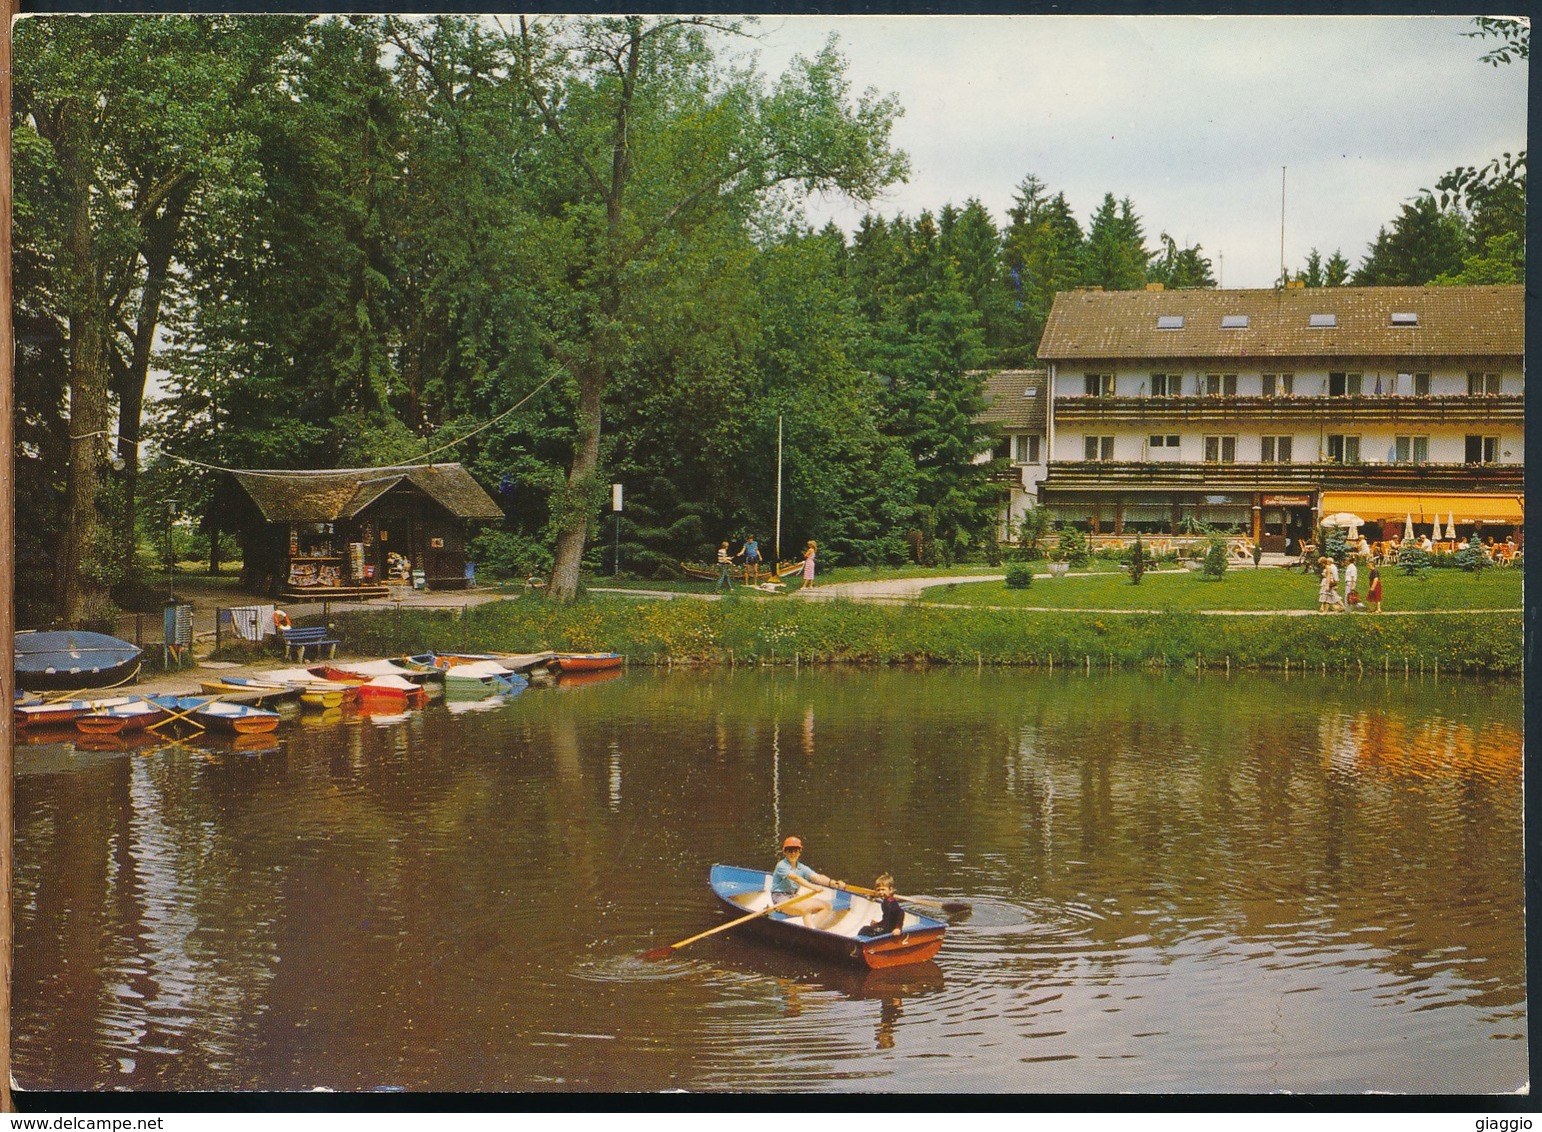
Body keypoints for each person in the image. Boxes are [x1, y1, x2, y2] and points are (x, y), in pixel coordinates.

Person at [771, 836, 838, 928]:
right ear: (784, 851)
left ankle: (811, 929)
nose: (793, 853)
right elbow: (795, 878)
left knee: (827, 906)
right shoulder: (781, 865)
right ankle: (811, 931)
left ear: (799, 852)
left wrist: (832, 882)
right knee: (805, 910)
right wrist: (813, 887)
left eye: (796, 850)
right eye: (790, 850)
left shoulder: (801, 867)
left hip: (794, 897)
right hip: (780, 899)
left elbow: (817, 877)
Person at [858, 873, 906, 938]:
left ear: (890, 890)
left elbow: (900, 913)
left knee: (864, 929)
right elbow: (887, 919)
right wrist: (878, 924)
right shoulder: (885, 902)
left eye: (883, 889)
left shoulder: (891, 902)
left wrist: (898, 928)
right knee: (868, 928)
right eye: (878, 890)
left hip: (889, 930)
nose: (880, 892)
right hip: (886, 927)